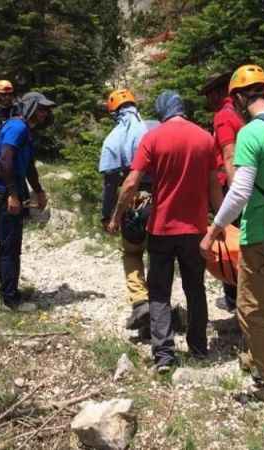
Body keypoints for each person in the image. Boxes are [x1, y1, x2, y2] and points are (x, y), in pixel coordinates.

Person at [200, 65, 264, 399]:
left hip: (262, 232)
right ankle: (261, 357)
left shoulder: (250, 133)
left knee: (249, 307)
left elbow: (241, 191)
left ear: (240, 98)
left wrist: (214, 231)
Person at [108, 90, 223, 372]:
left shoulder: (153, 137)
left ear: (161, 112)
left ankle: (164, 355)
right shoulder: (205, 138)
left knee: (159, 292)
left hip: (162, 228)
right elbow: (213, 187)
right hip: (196, 228)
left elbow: (132, 183)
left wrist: (116, 216)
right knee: (195, 288)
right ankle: (198, 347)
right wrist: (222, 223)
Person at [0, 92, 55, 312]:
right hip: (4, 193)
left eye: (46, 109)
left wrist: (39, 191)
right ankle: (11, 300)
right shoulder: (18, 128)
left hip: (8, 191)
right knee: (9, 246)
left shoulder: (23, 128)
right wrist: (13, 194)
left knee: (9, 245)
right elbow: (5, 160)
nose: (45, 113)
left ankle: (8, 291)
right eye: (41, 108)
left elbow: (28, 166)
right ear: (29, 107)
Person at [99, 88, 153, 335]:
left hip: (132, 202)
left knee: (132, 253)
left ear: (114, 112)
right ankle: (159, 303)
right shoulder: (153, 128)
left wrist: (109, 216)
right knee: (157, 253)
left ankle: (141, 301)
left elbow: (110, 183)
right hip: (160, 201)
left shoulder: (112, 139)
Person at [201, 71, 245, 313]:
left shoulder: (223, 116)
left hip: (229, 186)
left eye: (208, 95)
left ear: (218, 93)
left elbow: (230, 155)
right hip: (236, 184)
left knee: (229, 240)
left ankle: (233, 298)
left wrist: (233, 196)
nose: (206, 101)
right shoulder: (238, 114)